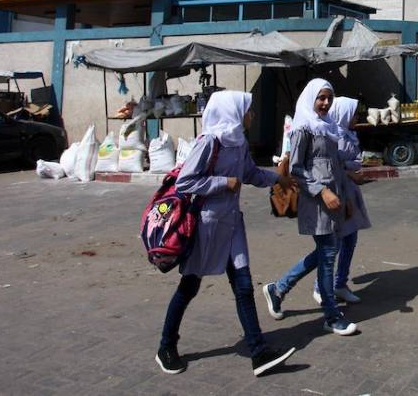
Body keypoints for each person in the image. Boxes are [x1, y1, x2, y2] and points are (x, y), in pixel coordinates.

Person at [156, 90, 297, 377]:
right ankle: (166, 347)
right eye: (248, 110)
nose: (252, 115)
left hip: (232, 224)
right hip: (206, 226)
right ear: (233, 113)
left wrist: (278, 178)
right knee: (189, 286)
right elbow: (185, 182)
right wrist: (223, 182)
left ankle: (258, 352)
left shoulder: (239, 142)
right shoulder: (209, 142)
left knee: (243, 286)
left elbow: (250, 174)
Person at [261, 79, 358, 336]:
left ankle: (278, 289)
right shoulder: (303, 128)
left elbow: (335, 166)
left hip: (334, 200)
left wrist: (345, 197)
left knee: (326, 252)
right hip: (316, 202)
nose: (325, 103)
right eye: (320, 98)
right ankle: (331, 315)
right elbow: (296, 170)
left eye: (329, 98)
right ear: (310, 98)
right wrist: (323, 191)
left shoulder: (328, 126)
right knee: (328, 255)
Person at [315, 96, 371, 306]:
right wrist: (349, 171)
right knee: (334, 243)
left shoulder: (349, 135)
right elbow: (330, 167)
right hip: (338, 193)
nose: (356, 118)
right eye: (353, 114)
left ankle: (340, 283)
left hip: (350, 192)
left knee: (350, 240)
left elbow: (354, 161)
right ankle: (320, 286)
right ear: (344, 114)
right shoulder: (332, 136)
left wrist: (351, 170)